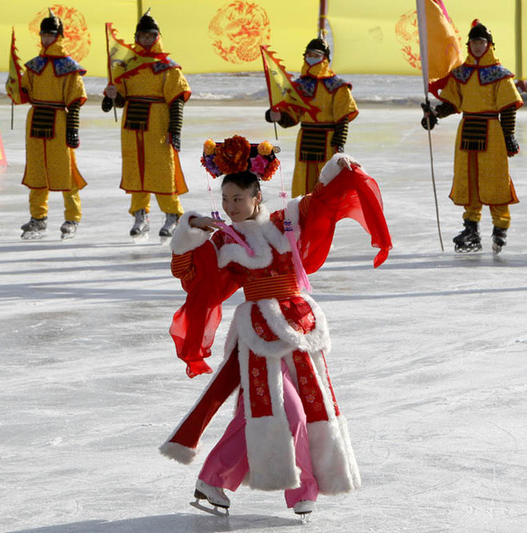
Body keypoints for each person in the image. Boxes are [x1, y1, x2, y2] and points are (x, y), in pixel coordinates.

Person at [159, 135, 392, 518]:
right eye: (225, 200)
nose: (231, 207)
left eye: (238, 199)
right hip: (259, 332)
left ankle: (213, 480)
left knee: (266, 408)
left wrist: (338, 170)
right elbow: (188, 274)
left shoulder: (287, 223)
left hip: (299, 325)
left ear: (256, 197)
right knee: (285, 409)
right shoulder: (224, 239)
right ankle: (304, 489)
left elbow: (323, 202)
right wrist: (192, 231)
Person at [421, 20, 523, 254]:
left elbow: (507, 107)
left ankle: (500, 228)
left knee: (495, 179)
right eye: (474, 42)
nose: (477, 46)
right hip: (467, 129)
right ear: (468, 45)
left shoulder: (499, 74)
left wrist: (509, 136)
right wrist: (434, 114)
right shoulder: (461, 74)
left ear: (489, 45)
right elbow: (451, 103)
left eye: (481, 42)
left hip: (492, 131)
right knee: (469, 179)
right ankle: (471, 228)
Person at [102, 9, 190, 238]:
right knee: (136, 170)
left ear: (158, 37)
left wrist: (175, 129)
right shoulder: (127, 65)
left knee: (162, 171)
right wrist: (111, 96)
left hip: (158, 122)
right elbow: (119, 100)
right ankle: (140, 215)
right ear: (137, 38)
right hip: (132, 124)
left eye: (151, 36)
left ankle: (173, 214)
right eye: (143, 36)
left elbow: (177, 100)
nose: (147, 40)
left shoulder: (169, 67)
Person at [16, 9, 87, 240]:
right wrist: (14, 84)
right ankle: (38, 217)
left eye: (51, 35)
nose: (47, 38)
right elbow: (24, 93)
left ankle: (72, 217)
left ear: (59, 37)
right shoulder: (34, 65)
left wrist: (73, 130)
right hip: (35, 119)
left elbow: (75, 101)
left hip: (58, 120)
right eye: (44, 35)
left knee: (64, 172)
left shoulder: (69, 67)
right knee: (37, 171)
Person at [265, 38, 358, 197]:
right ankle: (302, 215)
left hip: (328, 140)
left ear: (325, 58)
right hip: (305, 139)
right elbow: (292, 117)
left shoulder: (337, 86)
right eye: (308, 54)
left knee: (327, 182)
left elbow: (342, 118)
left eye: (316, 55)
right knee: (303, 185)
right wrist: (277, 116)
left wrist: (339, 146)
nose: (311, 58)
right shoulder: (299, 86)